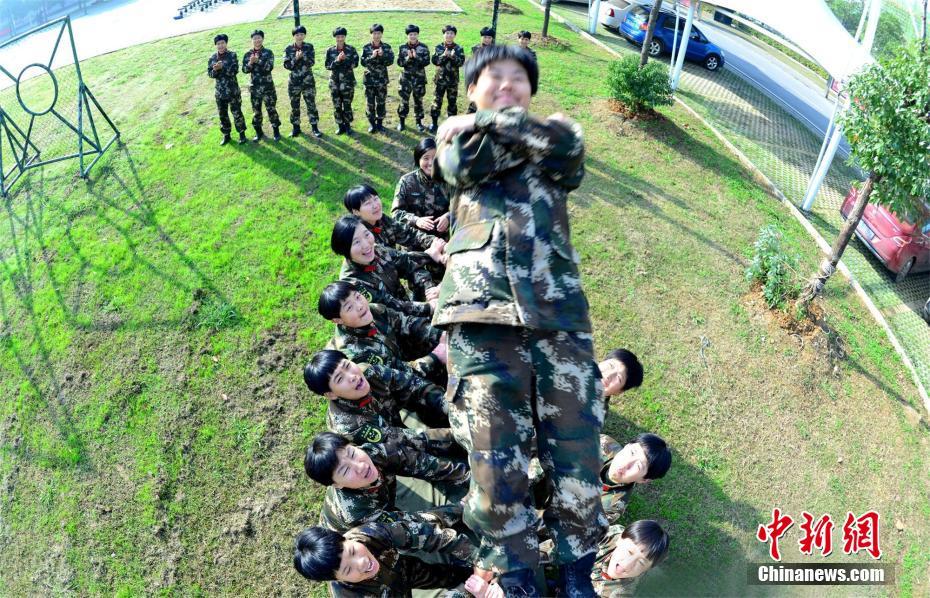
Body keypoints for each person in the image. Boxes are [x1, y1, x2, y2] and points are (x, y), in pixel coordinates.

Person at [432, 45, 602, 595]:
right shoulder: (455, 140)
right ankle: (516, 571)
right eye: (493, 77)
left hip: (558, 315)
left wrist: (486, 122)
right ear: (470, 89)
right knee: (492, 452)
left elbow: (567, 150)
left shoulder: (555, 134)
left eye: (518, 78)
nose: (507, 84)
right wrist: (517, 133)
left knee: (577, 444)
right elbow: (462, 164)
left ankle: (577, 566)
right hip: (481, 312)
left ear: (531, 90)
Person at [305, 431, 469, 532]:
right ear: (337, 485)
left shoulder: (371, 451)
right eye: (346, 470)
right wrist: (462, 507)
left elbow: (421, 463)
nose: (360, 466)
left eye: (352, 454)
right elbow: (410, 526)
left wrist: (468, 476)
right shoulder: (357, 513)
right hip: (352, 539)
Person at [293, 519, 475, 596]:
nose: (362, 562)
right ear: (337, 579)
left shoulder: (369, 534)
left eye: (353, 551)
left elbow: (429, 535)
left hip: (406, 570)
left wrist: (480, 560)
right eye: (348, 570)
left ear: (346, 539)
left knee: (445, 574)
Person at [304, 349, 451, 443]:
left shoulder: (366, 371)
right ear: (331, 394)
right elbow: (402, 442)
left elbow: (412, 384)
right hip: (386, 456)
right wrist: (453, 435)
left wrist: (447, 405)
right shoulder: (349, 426)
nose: (352, 376)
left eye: (347, 366)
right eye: (340, 379)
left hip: (394, 424)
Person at [319, 280, 447, 386]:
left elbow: (406, 322)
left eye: (357, 297)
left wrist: (438, 335)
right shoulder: (358, 353)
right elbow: (399, 375)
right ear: (338, 320)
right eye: (349, 307)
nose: (359, 306)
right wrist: (436, 357)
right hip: (396, 387)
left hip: (402, 356)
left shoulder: (371, 310)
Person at [332, 215, 441, 311]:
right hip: (393, 322)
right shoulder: (354, 284)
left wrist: (429, 287)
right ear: (345, 249)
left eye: (366, 234)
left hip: (407, 307)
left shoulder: (376, 249)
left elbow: (405, 261)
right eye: (356, 242)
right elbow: (389, 307)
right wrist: (428, 307)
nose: (366, 244)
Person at [344, 184, 441, 253]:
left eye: (375, 199)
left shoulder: (381, 219)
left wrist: (435, 242)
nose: (375, 205)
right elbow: (393, 259)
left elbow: (408, 233)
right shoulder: (359, 235)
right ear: (356, 212)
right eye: (368, 203)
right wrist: (430, 255)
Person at [392, 138, 451, 239]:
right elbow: (396, 213)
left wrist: (449, 216)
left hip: (442, 241)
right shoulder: (407, 181)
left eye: (435, 157)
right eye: (426, 158)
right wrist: (416, 220)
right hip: (414, 240)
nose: (431, 163)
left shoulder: (450, 180)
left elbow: (463, 207)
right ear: (418, 159)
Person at [283, 25, 322, 138]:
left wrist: (303, 57)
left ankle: (314, 127)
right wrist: (296, 59)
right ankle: (296, 128)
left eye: (301, 34)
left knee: (311, 104)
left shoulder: (309, 47)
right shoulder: (288, 49)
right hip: (294, 83)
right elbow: (287, 65)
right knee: (294, 105)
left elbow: (312, 62)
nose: (299, 37)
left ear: (304, 35)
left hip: (308, 82)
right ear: (293, 36)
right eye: (297, 35)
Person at [241, 29, 281, 142]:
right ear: (252, 40)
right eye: (254, 38)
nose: (257, 40)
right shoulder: (247, 54)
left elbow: (269, 67)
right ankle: (259, 132)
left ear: (262, 39)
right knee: (256, 111)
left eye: (259, 38)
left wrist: (258, 61)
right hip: (255, 88)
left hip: (268, 87)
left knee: (271, 109)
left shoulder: (268, 52)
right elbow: (244, 70)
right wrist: (250, 63)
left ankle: (276, 131)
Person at [207, 34, 247, 146]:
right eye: (218, 44)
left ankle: (242, 134)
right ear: (216, 45)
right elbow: (210, 74)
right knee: (222, 114)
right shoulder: (212, 58)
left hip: (232, 91)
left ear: (226, 43)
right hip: (220, 92)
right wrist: (215, 70)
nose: (220, 45)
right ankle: (226, 135)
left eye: (222, 43)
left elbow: (235, 70)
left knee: (237, 113)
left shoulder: (232, 55)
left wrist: (222, 68)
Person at [430, 25, 466, 133]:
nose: (449, 35)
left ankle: (451, 124)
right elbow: (435, 61)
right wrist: (444, 55)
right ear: (443, 35)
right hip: (440, 80)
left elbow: (461, 63)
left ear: (454, 35)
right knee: (437, 101)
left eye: (451, 33)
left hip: (453, 81)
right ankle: (434, 123)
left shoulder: (458, 48)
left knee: (452, 102)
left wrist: (453, 57)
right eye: (447, 33)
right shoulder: (438, 47)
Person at [396, 24, 431, 132]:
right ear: (407, 35)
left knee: (418, 101)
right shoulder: (403, 47)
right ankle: (402, 122)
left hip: (419, 79)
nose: (413, 36)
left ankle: (418, 122)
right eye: (410, 34)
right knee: (404, 101)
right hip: (405, 79)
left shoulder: (423, 47)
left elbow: (427, 62)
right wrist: (408, 58)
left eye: (415, 34)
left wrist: (417, 57)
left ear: (418, 35)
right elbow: (400, 63)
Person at [325, 27, 360, 135]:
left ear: (345, 37)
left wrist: (345, 59)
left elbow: (355, 64)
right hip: (335, 83)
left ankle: (348, 126)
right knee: (337, 105)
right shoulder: (330, 50)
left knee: (347, 105)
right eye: (338, 37)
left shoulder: (351, 49)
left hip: (348, 83)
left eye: (342, 36)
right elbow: (327, 66)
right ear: (335, 37)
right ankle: (340, 126)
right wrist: (337, 60)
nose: (340, 39)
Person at [360, 24, 395, 133]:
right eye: (374, 33)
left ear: (382, 34)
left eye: (379, 33)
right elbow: (362, 62)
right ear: (371, 34)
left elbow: (390, 61)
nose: (376, 36)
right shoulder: (366, 47)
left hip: (381, 80)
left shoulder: (386, 47)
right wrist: (372, 57)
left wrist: (383, 55)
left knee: (381, 103)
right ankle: (372, 124)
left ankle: (380, 124)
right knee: (370, 103)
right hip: (369, 81)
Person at [466, 27, 495, 114]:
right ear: (481, 37)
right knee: (476, 98)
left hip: (490, 78)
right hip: (477, 77)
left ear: (492, 38)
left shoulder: (495, 50)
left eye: (489, 37)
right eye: (485, 37)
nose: (487, 39)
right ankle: (471, 115)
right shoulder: (475, 48)